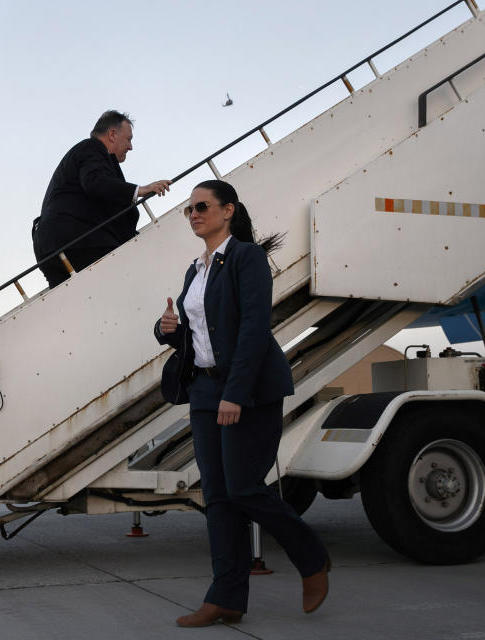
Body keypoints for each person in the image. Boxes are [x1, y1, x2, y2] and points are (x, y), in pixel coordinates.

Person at [153, 179, 330, 627]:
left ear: (227, 210)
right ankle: (226, 597)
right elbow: (200, 337)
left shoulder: (247, 258)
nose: (193, 214)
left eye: (201, 206)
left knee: (244, 488)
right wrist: (168, 330)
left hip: (245, 389)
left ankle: (312, 559)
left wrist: (235, 391)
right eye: (188, 210)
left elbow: (254, 327)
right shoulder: (196, 269)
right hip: (203, 390)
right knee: (217, 497)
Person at [33, 110, 172, 288]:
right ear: (112, 134)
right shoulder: (92, 148)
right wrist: (141, 190)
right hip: (77, 241)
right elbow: (95, 182)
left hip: (50, 247)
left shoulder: (82, 158)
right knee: (134, 283)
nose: (130, 147)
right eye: (128, 139)